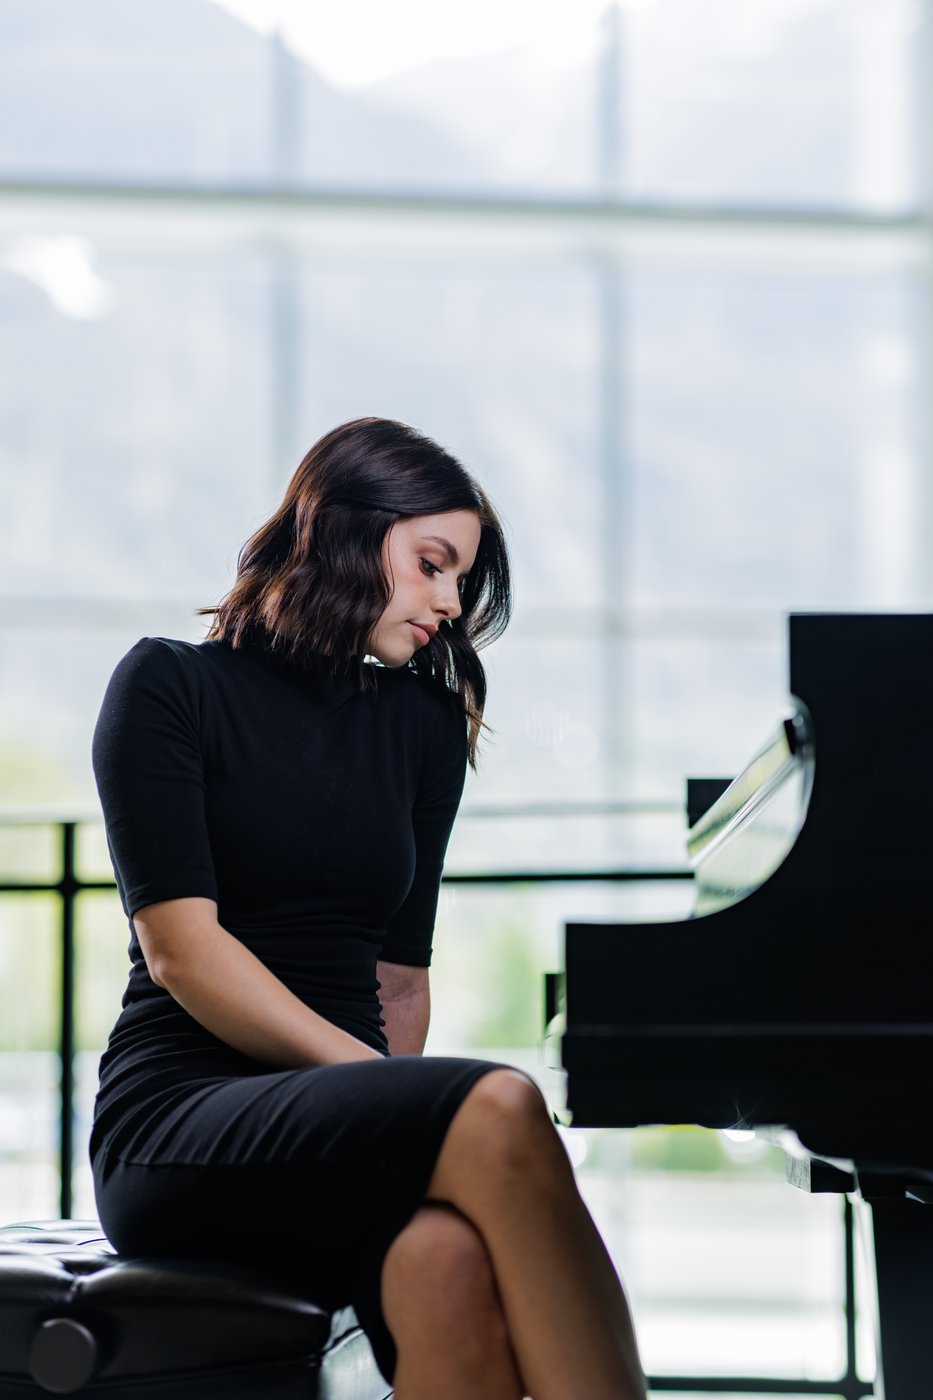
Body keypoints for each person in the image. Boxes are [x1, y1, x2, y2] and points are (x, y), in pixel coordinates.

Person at [89, 416, 646, 1400]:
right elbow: (181, 951)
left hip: (341, 1119)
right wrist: (385, 1094)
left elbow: (399, 976)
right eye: (434, 563)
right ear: (345, 528)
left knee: (447, 1263)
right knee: (498, 1101)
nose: (450, 601)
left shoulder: (422, 727)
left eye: (463, 579)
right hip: (180, 1117)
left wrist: (390, 1114)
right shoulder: (168, 686)